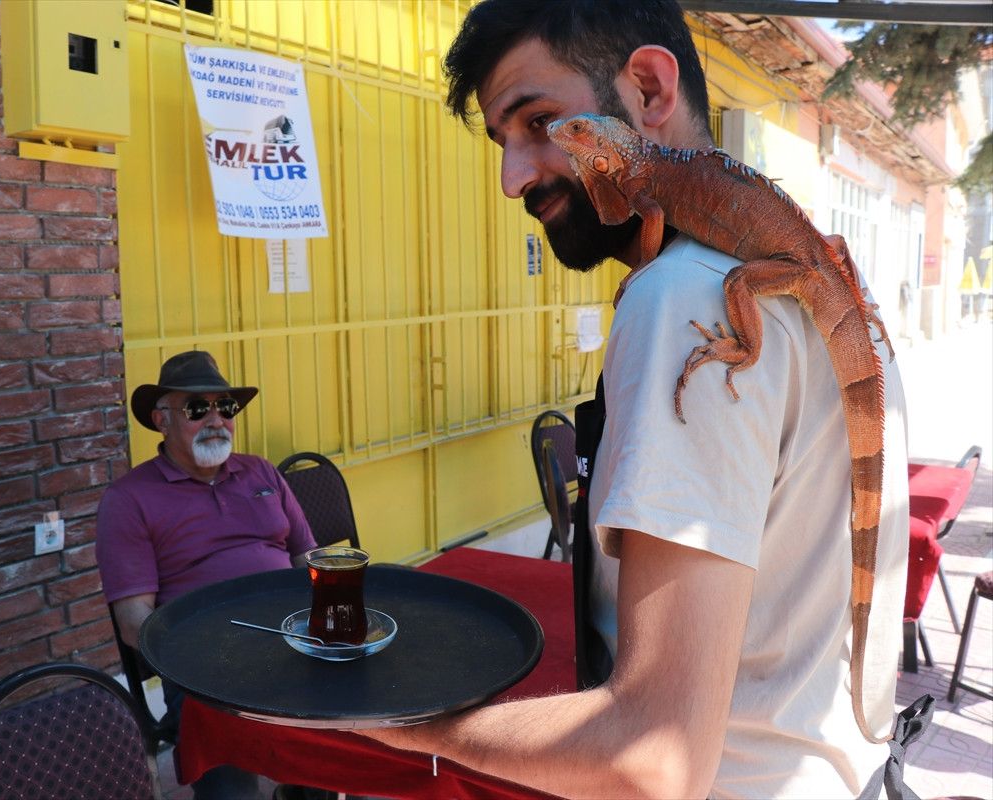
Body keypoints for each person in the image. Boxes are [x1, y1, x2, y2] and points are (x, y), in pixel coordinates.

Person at [358, 2, 910, 798]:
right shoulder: (851, 308)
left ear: (649, 90)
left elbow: (654, 760)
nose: (513, 176)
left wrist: (408, 723)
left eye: (546, 121)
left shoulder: (677, 300)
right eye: (504, 143)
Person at [96, 350, 319, 800]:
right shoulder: (130, 499)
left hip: (297, 645)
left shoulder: (261, 472)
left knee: (357, 732)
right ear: (162, 420)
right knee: (230, 787)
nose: (216, 420)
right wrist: (204, 660)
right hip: (208, 669)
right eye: (198, 409)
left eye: (225, 407)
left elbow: (309, 559)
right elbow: (134, 623)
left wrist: (332, 616)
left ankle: (307, 788)